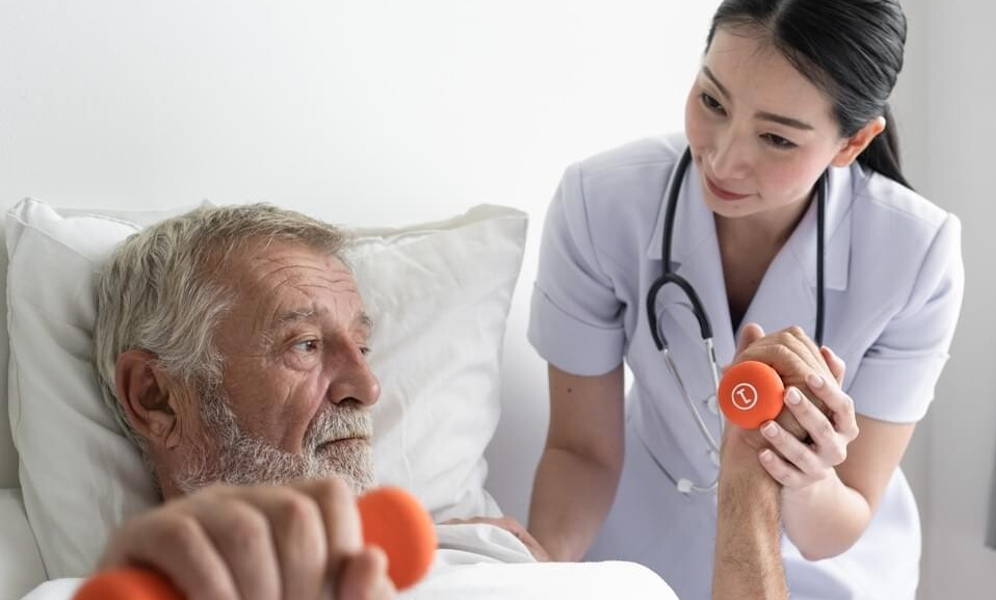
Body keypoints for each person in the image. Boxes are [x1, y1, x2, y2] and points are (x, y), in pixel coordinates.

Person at [76, 203, 786, 600]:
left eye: (363, 345)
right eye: (305, 345)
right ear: (155, 396)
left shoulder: (492, 558)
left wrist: (749, 478)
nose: (367, 388)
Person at [525, 1, 964, 598]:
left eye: (777, 138)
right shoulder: (601, 202)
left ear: (852, 142)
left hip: (825, 570)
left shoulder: (916, 253)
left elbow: (839, 522)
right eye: (712, 102)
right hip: (647, 556)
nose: (724, 159)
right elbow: (581, 452)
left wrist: (808, 476)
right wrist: (538, 571)